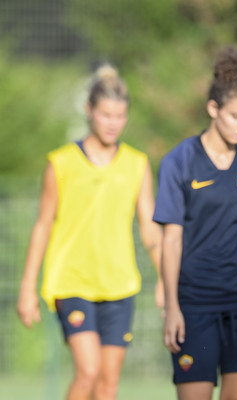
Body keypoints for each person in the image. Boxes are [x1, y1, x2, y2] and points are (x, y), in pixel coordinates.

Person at [16, 64, 164, 400]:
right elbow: (42, 226)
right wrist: (28, 288)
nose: (113, 123)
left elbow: (150, 228)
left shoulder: (136, 164)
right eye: (106, 115)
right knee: (88, 371)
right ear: (89, 111)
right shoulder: (61, 163)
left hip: (119, 284)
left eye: (120, 116)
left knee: (108, 382)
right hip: (72, 282)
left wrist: (166, 280)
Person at [153, 48, 237, 400]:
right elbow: (171, 241)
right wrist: (173, 308)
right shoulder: (179, 162)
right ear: (214, 109)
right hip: (195, 305)